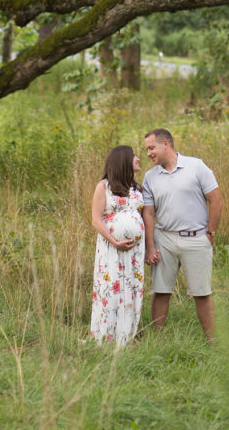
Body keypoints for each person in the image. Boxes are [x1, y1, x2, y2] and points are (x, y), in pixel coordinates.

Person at [142, 128, 222, 340]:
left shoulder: (196, 166)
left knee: (201, 293)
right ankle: (157, 339)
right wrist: (150, 246)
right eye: (146, 149)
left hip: (196, 238)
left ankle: (212, 341)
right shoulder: (150, 177)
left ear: (166, 143)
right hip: (164, 239)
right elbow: (148, 213)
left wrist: (210, 232)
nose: (148, 153)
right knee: (160, 291)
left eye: (151, 148)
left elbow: (216, 199)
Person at [89, 145, 145, 346]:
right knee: (111, 288)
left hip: (135, 252)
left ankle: (127, 334)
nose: (138, 158)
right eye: (134, 156)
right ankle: (107, 335)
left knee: (131, 287)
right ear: (123, 161)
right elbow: (96, 219)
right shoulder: (103, 187)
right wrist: (114, 241)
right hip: (111, 248)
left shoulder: (138, 189)